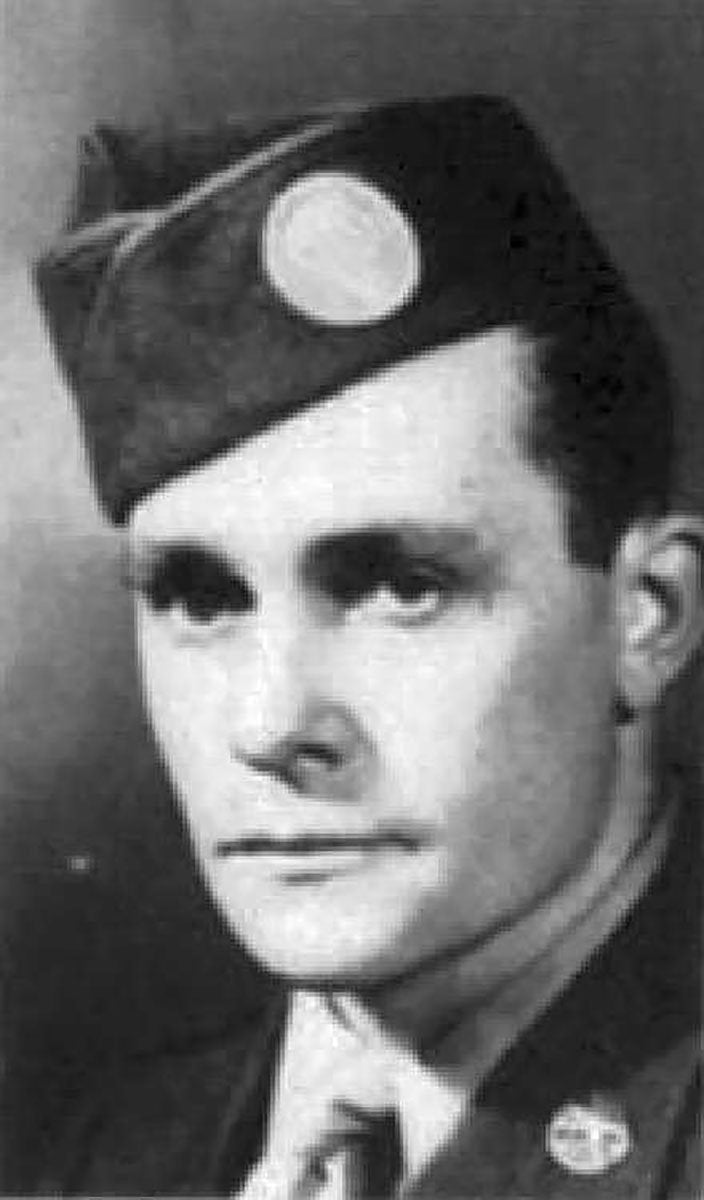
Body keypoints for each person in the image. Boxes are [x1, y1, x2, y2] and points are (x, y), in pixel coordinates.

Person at [34, 94, 702, 1198]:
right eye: (200, 598)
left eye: (401, 587)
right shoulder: (106, 1164)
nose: (270, 724)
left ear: (649, 616)